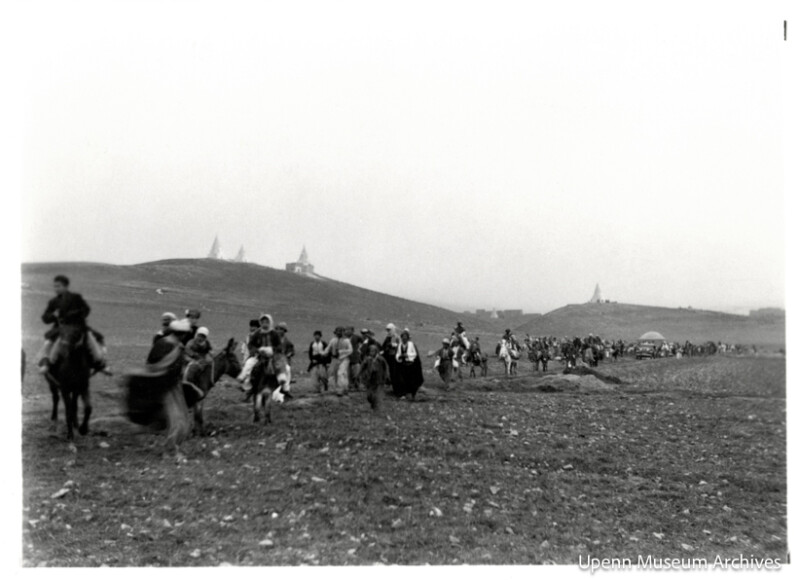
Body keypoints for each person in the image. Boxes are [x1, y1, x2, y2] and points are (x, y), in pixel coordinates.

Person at [37, 275, 106, 373]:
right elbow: (45, 318)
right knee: (48, 343)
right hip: (60, 328)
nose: (56, 289)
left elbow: (86, 310)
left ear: (66, 286)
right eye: (55, 286)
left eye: (58, 286)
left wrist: (77, 315)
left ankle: (100, 364)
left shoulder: (76, 298)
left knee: (91, 339)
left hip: (78, 327)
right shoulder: (53, 302)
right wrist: (54, 315)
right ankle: (45, 363)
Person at [394, 329, 424, 399]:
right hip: (402, 364)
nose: (404, 340)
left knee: (411, 379)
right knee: (402, 379)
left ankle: (411, 392)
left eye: (405, 338)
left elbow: (415, 354)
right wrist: (400, 356)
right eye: (403, 338)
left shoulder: (412, 345)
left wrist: (407, 355)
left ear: (407, 338)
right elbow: (397, 354)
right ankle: (403, 393)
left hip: (410, 364)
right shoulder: (399, 345)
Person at [275, 322, 294, 398]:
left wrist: (289, 354)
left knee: (287, 369)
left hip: (283, 360)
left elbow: (291, 351)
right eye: (278, 329)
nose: (279, 331)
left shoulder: (287, 341)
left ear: (284, 331)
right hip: (274, 359)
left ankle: (286, 390)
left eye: (281, 329)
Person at [345, 326, 363, 391]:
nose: (347, 331)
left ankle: (357, 385)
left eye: (348, 330)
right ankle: (351, 386)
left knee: (356, 372)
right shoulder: (344, 338)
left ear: (352, 331)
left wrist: (359, 349)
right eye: (346, 330)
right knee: (348, 373)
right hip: (347, 357)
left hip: (355, 357)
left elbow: (363, 342)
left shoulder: (356, 337)